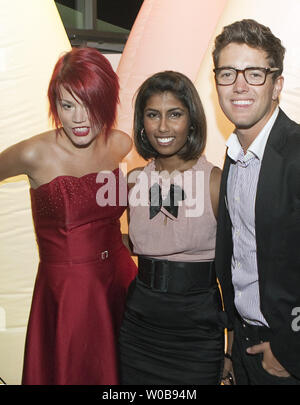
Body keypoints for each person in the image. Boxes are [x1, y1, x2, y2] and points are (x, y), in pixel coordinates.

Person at [0, 47, 137, 385]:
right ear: (55, 105)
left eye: (89, 104)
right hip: (67, 296)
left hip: (121, 283)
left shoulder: (121, 144)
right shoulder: (33, 153)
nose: (79, 118)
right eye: (67, 105)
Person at [119, 71, 227, 385]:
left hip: (198, 331)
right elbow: (140, 242)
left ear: (192, 121)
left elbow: (237, 267)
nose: (163, 127)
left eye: (175, 114)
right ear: (142, 123)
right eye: (153, 115)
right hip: (140, 329)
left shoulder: (215, 181)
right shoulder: (134, 181)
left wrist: (231, 347)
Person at [213, 19, 300, 385]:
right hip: (244, 347)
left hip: (284, 356)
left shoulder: (296, 154)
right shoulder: (234, 155)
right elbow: (239, 260)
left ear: (277, 85)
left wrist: (292, 349)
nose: (240, 85)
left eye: (254, 73)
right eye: (228, 73)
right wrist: (231, 345)